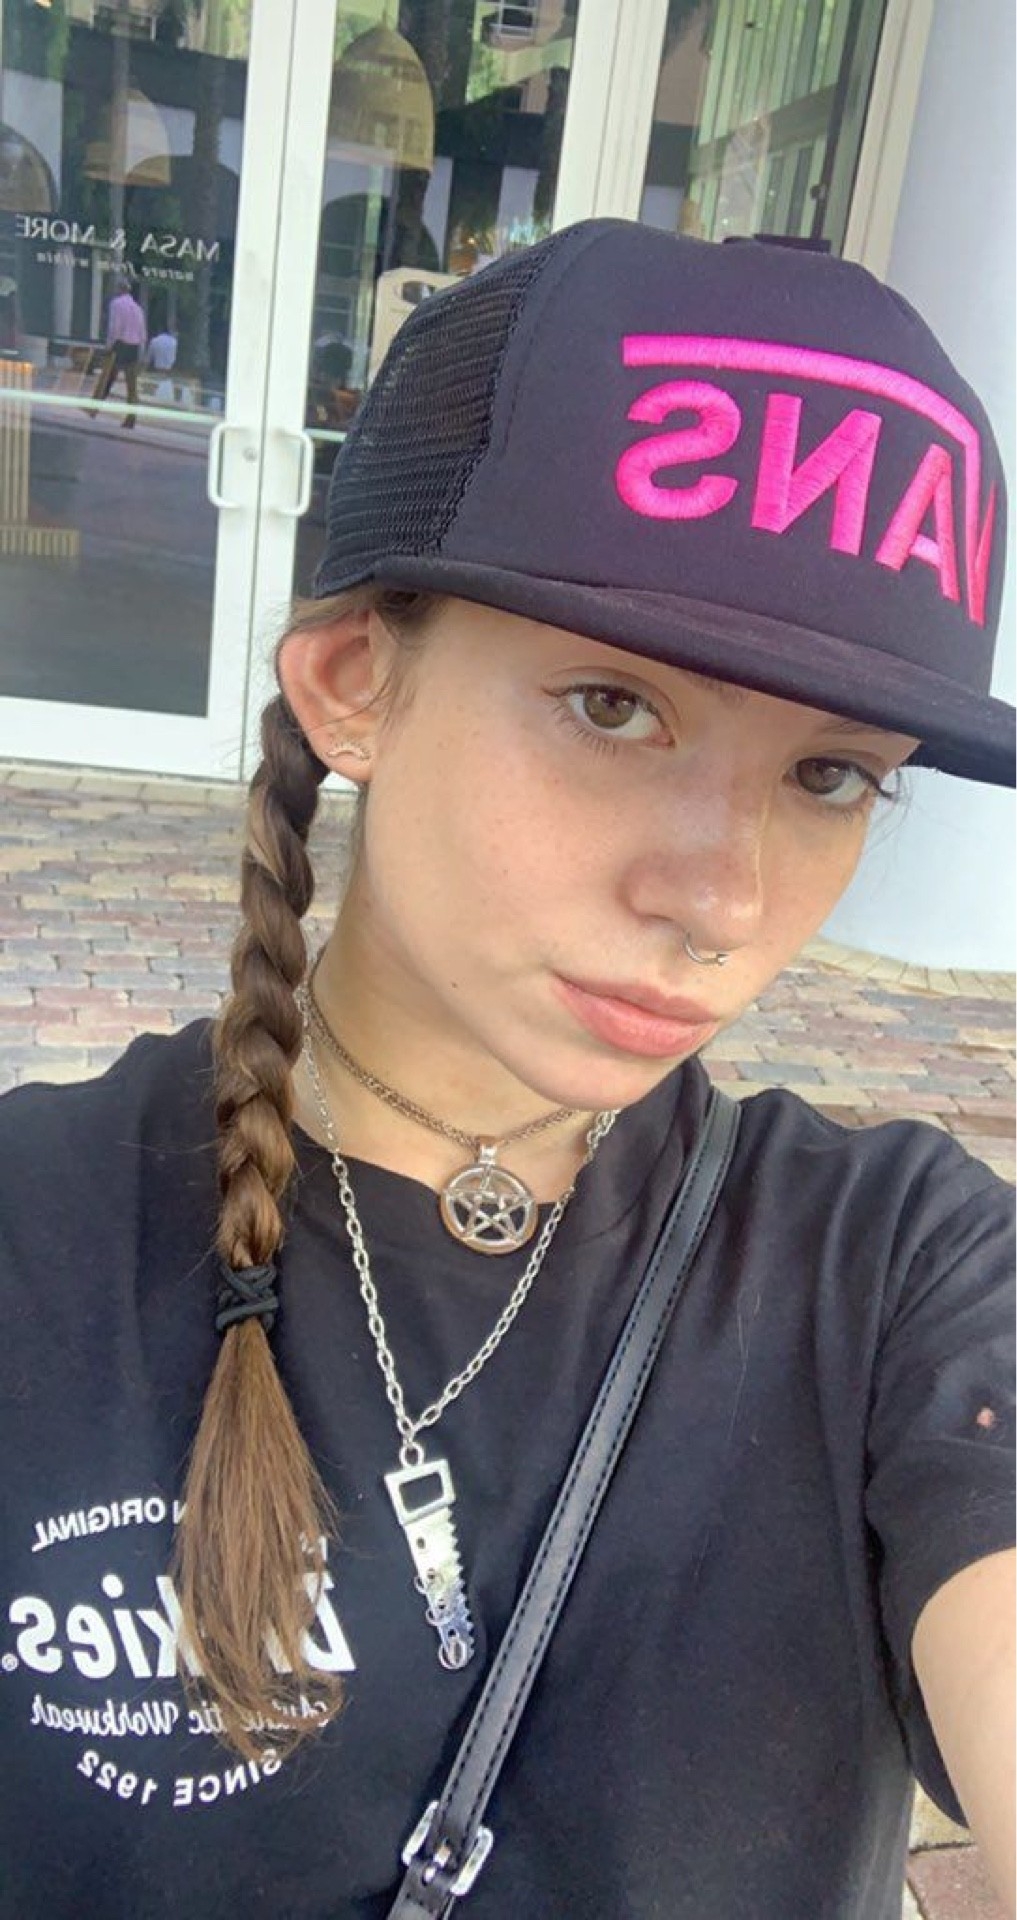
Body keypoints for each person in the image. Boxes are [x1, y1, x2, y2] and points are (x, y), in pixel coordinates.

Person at [0, 220, 1013, 1920]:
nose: (719, 898)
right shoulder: (37, 1237)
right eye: (613, 707)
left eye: (830, 774)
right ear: (354, 684)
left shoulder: (901, 1270)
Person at [89, 278, 147, 427]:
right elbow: (142, 333)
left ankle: (94, 408)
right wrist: (141, 352)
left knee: (107, 379)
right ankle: (131, 417)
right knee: (131, 386)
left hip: (120, 344)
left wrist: (109, 346)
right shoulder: (138, 308)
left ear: (119, 289)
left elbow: (115, 327)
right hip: (134, 347)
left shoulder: (116, 304)